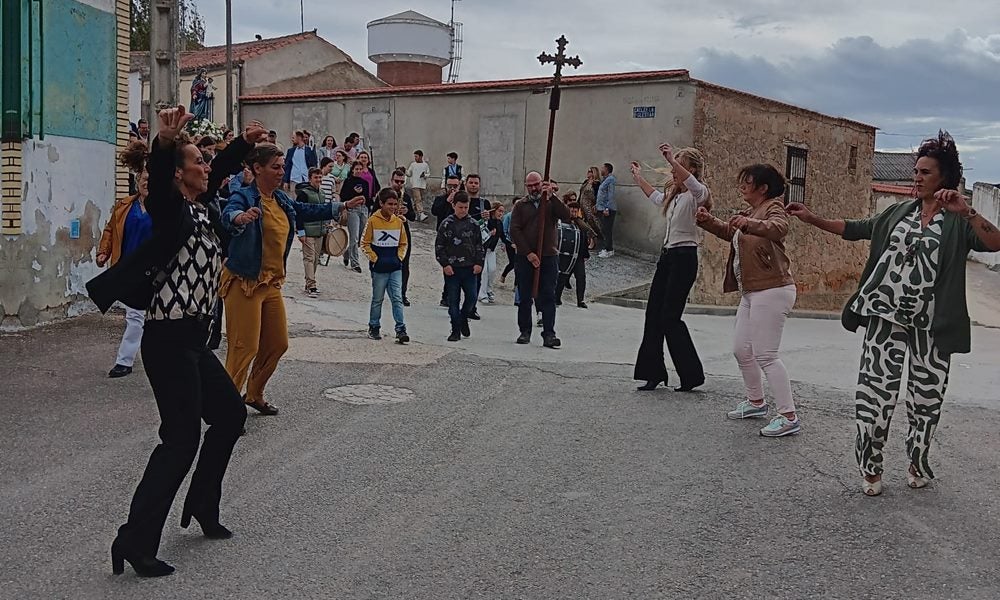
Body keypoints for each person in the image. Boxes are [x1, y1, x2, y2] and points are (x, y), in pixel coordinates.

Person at [786, 131, 1000, 496]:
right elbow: (856, 229)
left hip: (933, 327)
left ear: (944, 178)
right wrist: (811, 218)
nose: (916, 177)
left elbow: (995, 243)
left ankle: (918, 460)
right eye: (916, 171)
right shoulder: (898, 212)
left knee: (926, 400)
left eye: (925, 172)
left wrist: (968, 211)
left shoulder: (958, 221)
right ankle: (871, 467)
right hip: (885, 319)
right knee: (874, 396)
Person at [97, 107, 261, 577]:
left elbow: (219, 169)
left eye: (206, 163)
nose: (206, 169)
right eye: (199, 164)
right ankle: (135, 540)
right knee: (180, 439)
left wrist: (240, 147)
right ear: (179, 174)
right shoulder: (168, 211)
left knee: (229, 416)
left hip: (193, 341)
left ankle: (203, 505)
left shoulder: (202, 209)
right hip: (167, 340)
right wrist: (166, 142)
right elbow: (168, 172)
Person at [222, 144, 362, 417]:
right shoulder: (245, 196)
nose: (281, 171)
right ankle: (227, 409)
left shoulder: (281, 200)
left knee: (277, 344)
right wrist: (239, 218)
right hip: (245, 283)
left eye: (282, 166)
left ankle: (254, 393)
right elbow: (229, 214)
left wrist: (341, 205)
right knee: (243, 348)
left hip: (271, 284)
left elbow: (303, 210)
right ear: (257, 168)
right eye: (275, 167)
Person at [695, 163, 799, 438]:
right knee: (742, 349)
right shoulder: (752, 213)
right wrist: (707, 220)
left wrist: (750, 223)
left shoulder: (773, 208)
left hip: (773, 289)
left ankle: (788, 416)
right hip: (751, 291)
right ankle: (756, 402)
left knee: (766, 354)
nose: (742, 186)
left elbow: (779, 228)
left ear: (762, 188)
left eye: (747, 182)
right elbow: (734, 234)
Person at [631, 144, 711, 392]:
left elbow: (694, 185)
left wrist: (670, 159)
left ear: (693, 169)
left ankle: (691, 375)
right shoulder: (675, 197)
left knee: (670, 317)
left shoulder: (698, 194)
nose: (673, 171)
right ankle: (652, 373)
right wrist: (638, 177)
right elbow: (655, 197)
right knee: (653, 314)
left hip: (685, 257)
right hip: (667, 257)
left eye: (679, 166)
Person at [97, 142, 154, 378]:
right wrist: (104, 251)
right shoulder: (124, 206)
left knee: (158, 318)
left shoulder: (165, 207)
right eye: (143, 180)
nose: (146, 184)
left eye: (150, 181)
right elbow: (111, 229)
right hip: (131, 268)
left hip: (157, 269)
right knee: (135, 316)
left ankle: (161, 357)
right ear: (137, 182)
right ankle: (124, 360)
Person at [509, 172, 572, 348]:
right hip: (525, 257)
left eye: (536, 184)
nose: (534, 188)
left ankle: (549, 334)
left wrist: (553, 196)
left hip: (549, 256)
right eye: (530, 186)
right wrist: (528, 253)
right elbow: (515, 230)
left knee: (548, 295)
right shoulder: (521, 206)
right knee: (525, 296)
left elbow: (566, 215)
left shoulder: (550, 203)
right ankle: (525, 331)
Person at [361, 188, 409, 343]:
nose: (393, 207)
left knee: (397, 298)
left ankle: (400, 329)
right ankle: (374, 326)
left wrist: (399, 258)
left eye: (395, 204)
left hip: (395, 267)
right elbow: (364, 243)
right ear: (381, 203)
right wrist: (375, 259)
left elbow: (403, 243)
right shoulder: (373, 221)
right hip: (379, 268)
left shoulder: (398, 221)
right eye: (390, 204)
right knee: (378, 298)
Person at [436, 192, 485, 341]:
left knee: (471, 297)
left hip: (470, 268)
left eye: (466, 207)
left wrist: (479, 263)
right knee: (453, 300)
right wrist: (444, 264)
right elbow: (439, 246)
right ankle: (455, 329)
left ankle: (463, 318)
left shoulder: (474, 224)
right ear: (454, 206)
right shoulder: (446, 224)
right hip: (452, 269)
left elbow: (479, 246)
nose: (463, 210)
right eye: (460, 207)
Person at [555, 201, 597, 309]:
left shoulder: (580, 223)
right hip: (565, 255)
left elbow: (585, 237)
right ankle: (556, 298)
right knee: (562, 276)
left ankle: (580, 300)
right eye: (571, 210)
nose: (573, 212)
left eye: (575, 210)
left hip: (578, 256)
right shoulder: (562, 221)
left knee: (581, 277)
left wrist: (586, 252)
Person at [295, 167, 329, 298]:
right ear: (310, 178)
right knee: (309, 258)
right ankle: (312, 285)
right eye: (316, 177)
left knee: (315, 259)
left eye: (320, 177)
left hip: (319, 231)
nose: (318, 180)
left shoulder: (322, 193)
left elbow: (323, 210)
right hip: (308, 230)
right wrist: (301, 231)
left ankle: (309, 282)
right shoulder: (304, 194)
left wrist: (326, 224)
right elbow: (298, 212)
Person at [388, 168, 417, 306]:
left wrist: (406, 211)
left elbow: (413, 216)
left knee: (404, 264)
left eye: (401, 182)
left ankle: (402, 294)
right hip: (387, 232)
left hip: (403, 232)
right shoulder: (384, 195)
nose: (399, 184)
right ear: (391, 181)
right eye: (396, 181)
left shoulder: (406, 197)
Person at [432, 176, 462, 305]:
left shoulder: (462, 201)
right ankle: (447, 296)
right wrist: (447, 202)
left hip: (459, 238)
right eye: (450, 186)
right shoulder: (440, 199)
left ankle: (450, 295)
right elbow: (435, 212)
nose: (452, 189)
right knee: (447, 266)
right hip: (444, 239)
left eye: (455, 186)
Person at [339, 160, 373, 273]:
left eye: (360, 169)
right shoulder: (348, 182)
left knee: (362, 237)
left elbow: (368, 198)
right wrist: (346, 207)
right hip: (352, 210)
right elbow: (343, 196)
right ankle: (355, 263)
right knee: (354, 236)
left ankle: (347, 252)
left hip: (363, 210)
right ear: (352, 170)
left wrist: (365, 201)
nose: (358, 171)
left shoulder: (365, 183)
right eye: (356, 169)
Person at [479, 204, 505, 304]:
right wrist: (490, 233)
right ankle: (482, 294)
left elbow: (502, 236)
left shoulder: (499, 223)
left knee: (492, 270)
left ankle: (489, 290)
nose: (501, 214)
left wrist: (506, 244)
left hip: (491, 250)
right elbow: (482, 233)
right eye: (499, 211)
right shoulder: (487, 221)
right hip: (483, 249)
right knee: (484, 272)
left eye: (502, 212)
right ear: (494, 210)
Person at [596, 162, 617, 257]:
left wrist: (607, 208)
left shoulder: (611, 180)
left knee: (606, 230)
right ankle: (609, 249)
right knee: (604, 229)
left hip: (608, 209)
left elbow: (610, 195)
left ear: (607, 169)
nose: (601, 170)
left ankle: (607, 249)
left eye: (602, 168)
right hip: (602, 208)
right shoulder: (604, 180)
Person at [578, 166, 603, 237]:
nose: (588, 173)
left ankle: (597, 238)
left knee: (593, 223)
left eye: (590, 171)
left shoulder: (596, 184)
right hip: (582, 205)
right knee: (583, 222)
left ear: (594, 173)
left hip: (590, 206)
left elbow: (598, 195)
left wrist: (597, 205)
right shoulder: (585, 182)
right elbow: (581, 193)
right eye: (588, 171)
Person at [406, 149, 430, 221]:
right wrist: (405, 171)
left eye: (416, 156)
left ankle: (414, 213)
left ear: (421, 156)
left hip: (422, 185)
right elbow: (409, 173)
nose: (415, 158)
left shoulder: (425, 165)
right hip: (415, 184)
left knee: (417, 200)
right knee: (418, 199)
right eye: (415, 157)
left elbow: (428, 174)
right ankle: (421, 213)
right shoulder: (413, 164)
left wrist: (424, 175)